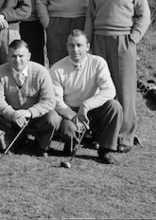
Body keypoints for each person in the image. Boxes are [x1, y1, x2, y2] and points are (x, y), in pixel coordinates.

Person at [84, 0, 151, 153]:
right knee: (101, 89)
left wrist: (132, 39)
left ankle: (124, 137)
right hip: (99, 41)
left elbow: (144, 15)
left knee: (125, 90)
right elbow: (91, 17)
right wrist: (88, 43)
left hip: (123, 42)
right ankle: (100, 134)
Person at [50, 29, 122, 164]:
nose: (75, 49)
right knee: (69, 131)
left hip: (91, 109)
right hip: (69, 111)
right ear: (66, 46)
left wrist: (86, 105)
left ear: (87, 47)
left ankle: (105, 150)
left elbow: (109, 91)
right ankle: (70, 143)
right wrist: (73, 116)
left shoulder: (98, 62)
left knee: (114, 106)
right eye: (71, 45)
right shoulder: (57, 68)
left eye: (79, 45)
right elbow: (56, 100)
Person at [0, 40, 60, 157]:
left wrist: (29, 112)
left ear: (29, 56)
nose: (17, 60)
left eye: (21, 56)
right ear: (8, 57)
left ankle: (41, 145)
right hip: (10, 116)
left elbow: (49, 101)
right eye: (13, 56)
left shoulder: (41, 72)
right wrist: (12, 114)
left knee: (53, 118)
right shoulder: (0, 71)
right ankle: (10, 141)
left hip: (34, 116)